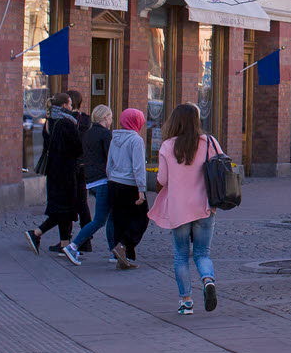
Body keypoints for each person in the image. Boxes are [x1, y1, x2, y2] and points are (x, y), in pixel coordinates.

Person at [150, 102, 220, 315]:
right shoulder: (209, 141)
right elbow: (221, 167)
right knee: (202, 253)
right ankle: (208, 281)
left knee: (181, 255)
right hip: (205, 205)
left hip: (178, 209)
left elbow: (162, 179)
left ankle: (186, 301)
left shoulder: (168, 146)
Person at [30, 92, 87, 256]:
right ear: (64, 106)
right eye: (69, 104)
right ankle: (37, 233)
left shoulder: (49, 122)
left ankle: (64, 244)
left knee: (63, 208)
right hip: (66, 171)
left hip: (53, 171)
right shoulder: (67, 123)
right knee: (65, 208)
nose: (71, 107)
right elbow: (77, 148)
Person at [70, 104, 117, 260]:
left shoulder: (88, 133)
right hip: (103, 179)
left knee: (110, 216)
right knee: (100, 220)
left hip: (91, 180)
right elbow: (111, 158)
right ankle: (73, 246)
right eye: (110, 117)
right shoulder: (105, 134)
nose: (111, 120)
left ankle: (114, 252)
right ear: (105, 118)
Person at [107, 107, 149, 269]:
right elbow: (138, 167)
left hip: (114, 183)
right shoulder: (136, 140)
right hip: (130, 185)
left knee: (120, 220)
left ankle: (125, 258)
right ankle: (123, 246)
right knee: (141, 219)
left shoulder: (114, 137)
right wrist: (141, 189)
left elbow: (109, 163)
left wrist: (111, 178)